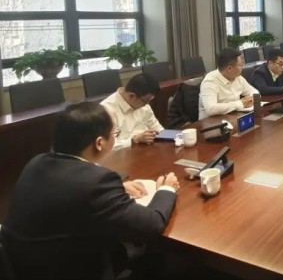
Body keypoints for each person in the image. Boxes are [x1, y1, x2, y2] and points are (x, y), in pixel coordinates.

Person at [0, 102, 179, 280]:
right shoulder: (96, 182)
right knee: (151, 252)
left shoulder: (36, 162)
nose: (115, 138)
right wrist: (166, 189)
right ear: (99, 143)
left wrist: (117, 188)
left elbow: (70, 191)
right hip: (69, 270)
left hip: (24, 265)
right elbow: (151, 225)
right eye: (114, 134)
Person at [100, 73, 164, 146]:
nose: (147, 104)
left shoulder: (144, 103)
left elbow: (157, 128)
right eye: (145, 101)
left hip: (147, 148)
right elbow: (106, 146)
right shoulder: (106, 110)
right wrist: (134, 140)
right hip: (123, 152)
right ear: (131, 96)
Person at [198, 48, 259, 119]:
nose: (242, 67)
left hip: (232, 117)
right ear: (229, 68)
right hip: (211, 122)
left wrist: (250, 100)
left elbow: (255, 93)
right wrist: (240, 103)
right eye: (240, 65)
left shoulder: (238, 78)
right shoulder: (210, 82)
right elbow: (211, 109)